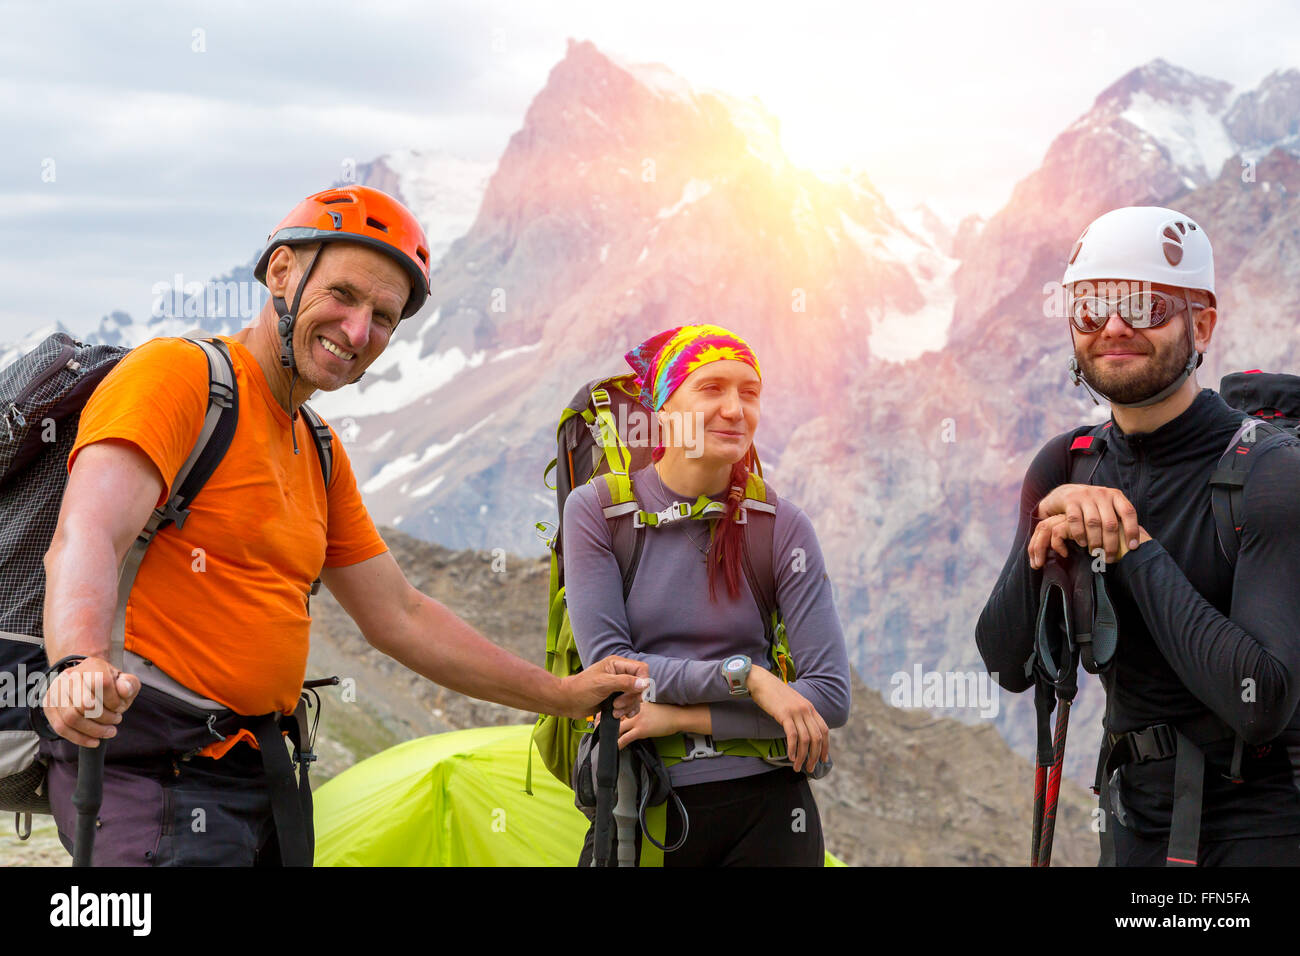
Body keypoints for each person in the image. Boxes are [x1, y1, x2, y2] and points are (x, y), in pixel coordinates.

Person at [38, 184, 647, 866]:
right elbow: (87, 533)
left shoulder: (319, 448)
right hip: (148, 769)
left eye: (384, 318)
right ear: (282, 272)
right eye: (344, 297)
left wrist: (561, 696)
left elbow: (401, 615)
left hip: (258, 772)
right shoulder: (177, 377)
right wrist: (78, 662)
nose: (359, 333)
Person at [976, 206, 1300, 866]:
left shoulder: (1267, 472)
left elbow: (1261, 699)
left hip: (1261, 826)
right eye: (1091, 306)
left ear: (1201, 322)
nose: (1115, 326)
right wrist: (1045, 533)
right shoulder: (1067, 463)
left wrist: (1131, 548)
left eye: (1145, 305)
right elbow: (1008, 663)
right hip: (1130, 819)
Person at [562, 324, 852, 866]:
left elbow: (830, 699)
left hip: (774, 816)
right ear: (663, 407)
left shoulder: (781, 525)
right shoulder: (598, 512)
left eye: (749, 392)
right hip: (642, 805)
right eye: (711, 387)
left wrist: (682, 718)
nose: (735, 409)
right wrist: (751, 679)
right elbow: (613, 670)